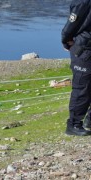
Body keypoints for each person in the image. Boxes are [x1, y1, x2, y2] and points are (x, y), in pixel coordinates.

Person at [61, 0, 91, 136]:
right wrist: (66, 40)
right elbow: (72, 23)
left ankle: (89, 120)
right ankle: (73, 125)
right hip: (84, 48)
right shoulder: (83, 2)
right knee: (82, 88)